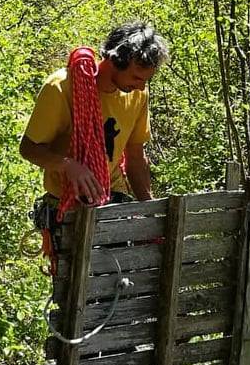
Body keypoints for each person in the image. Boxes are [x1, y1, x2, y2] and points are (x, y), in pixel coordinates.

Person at [20, 21, 169, 229]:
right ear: (116, 61)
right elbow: (28, 149)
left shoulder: (138, 93)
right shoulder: (62, 87)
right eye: (136, 77)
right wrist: (68, 165)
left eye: (146, 80)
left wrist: (150, 212)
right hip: (68, 206)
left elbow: (135, 156)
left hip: (114, 199)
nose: (141, 85)